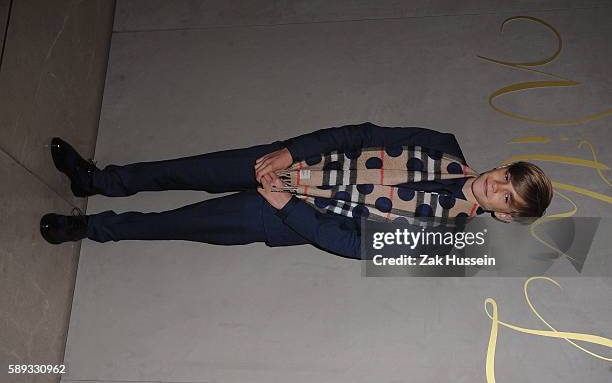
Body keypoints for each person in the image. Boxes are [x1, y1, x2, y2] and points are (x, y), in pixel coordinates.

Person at [40, 122, 553, 259]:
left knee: (176, 222)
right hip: (292, 163)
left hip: (283, 214)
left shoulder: (439, 240)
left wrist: (286, 208)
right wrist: (289, 151)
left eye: (508, 198)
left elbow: (352, 244)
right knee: (180, 170)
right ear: (505, 166)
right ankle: (95, 181)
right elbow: (362, 134)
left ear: (504, 216)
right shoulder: (441, 144)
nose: (498, 187)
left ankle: (90, 228)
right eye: (508, 177)